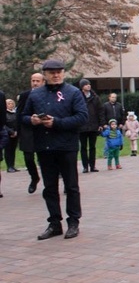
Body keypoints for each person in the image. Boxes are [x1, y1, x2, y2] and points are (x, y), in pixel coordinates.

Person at [22, 59, 88, 240]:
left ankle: (73, 221)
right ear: (45, 74)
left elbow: (82, 117)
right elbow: (24, 116)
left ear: (63, 73)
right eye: (52, 72)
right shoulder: (35, 95)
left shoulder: (73, 92)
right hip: (44, 146)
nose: (56, 75)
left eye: (59, 71)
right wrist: (32, 120)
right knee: (49, 187)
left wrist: (57, 123)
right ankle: (54, 223)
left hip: (66, 146)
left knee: (71, 186)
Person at [16, 73, 44, 193]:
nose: (35, 83)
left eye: (38, 81)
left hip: (43, 130)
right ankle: (34, 178)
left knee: (46, 158)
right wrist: (18, 131)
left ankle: (54, 180)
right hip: (28, 129)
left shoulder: (47, 94)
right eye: (33, 80)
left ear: (43, 82)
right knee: (28, 158)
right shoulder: (25, 95)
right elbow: (19, 114)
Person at [78, 79, 105, 173]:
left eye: (89, 84)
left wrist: (101, 124)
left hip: (93, 125)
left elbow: (100, 111)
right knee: (83, 147)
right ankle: (85, 166)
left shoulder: (95, 98)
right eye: (86, 84)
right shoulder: (78, 97)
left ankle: (92, 166)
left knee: (92, 147)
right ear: (82, 87)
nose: (88, 86)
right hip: (82, 126)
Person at [103, 92, 126, 159]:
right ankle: (106, 154)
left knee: (118, 138)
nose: (114, 98)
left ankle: (116, 153)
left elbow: (122, 115)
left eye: (115, 97)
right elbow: (103, 115)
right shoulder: (105, 105)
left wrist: (122, 123)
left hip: (118, 125)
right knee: (108, 140)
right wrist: (104, 124)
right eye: (112, 97)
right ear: (109, 97)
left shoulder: (119, 105)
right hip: (108, 126)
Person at [5, 98, 19, 172]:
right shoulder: (4, 113)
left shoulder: (15, 113)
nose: (11, 105)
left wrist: (16, 132)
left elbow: (17, 123)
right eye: (9, 103)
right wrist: (11, 132)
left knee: (13, 150)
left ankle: (12, 165)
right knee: (8, 150)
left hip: (15, 134)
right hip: (7, 135)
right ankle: (9, 166)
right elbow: (3, 125)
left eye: (12, 103)